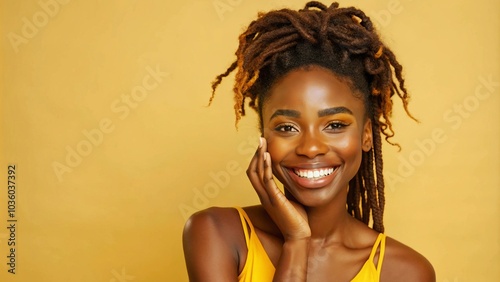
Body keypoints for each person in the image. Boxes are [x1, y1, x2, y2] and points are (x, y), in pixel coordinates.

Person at [183, 1, 435, 281]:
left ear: (366, 136)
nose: (310, 147)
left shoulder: (404, 272)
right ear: (264, 136)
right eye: (288, 127)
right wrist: (297, 242)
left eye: (335, 125)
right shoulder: (217, 232)